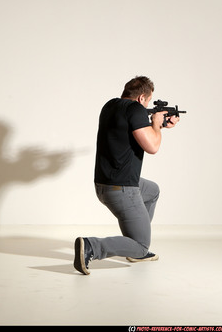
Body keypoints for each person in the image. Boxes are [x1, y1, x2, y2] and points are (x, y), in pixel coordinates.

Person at [74, 76, 180, 275]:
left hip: (105, 184)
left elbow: (130, 131)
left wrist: (159, 125)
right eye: (148, 101)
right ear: (141, 98)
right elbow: (153, 146)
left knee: (152, 190)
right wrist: (156, 124)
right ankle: (92, 246)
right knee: (142, 246)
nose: (147, 105)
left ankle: (133, 240)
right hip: (122, 189)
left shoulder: (110, 105)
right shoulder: (136, 110)